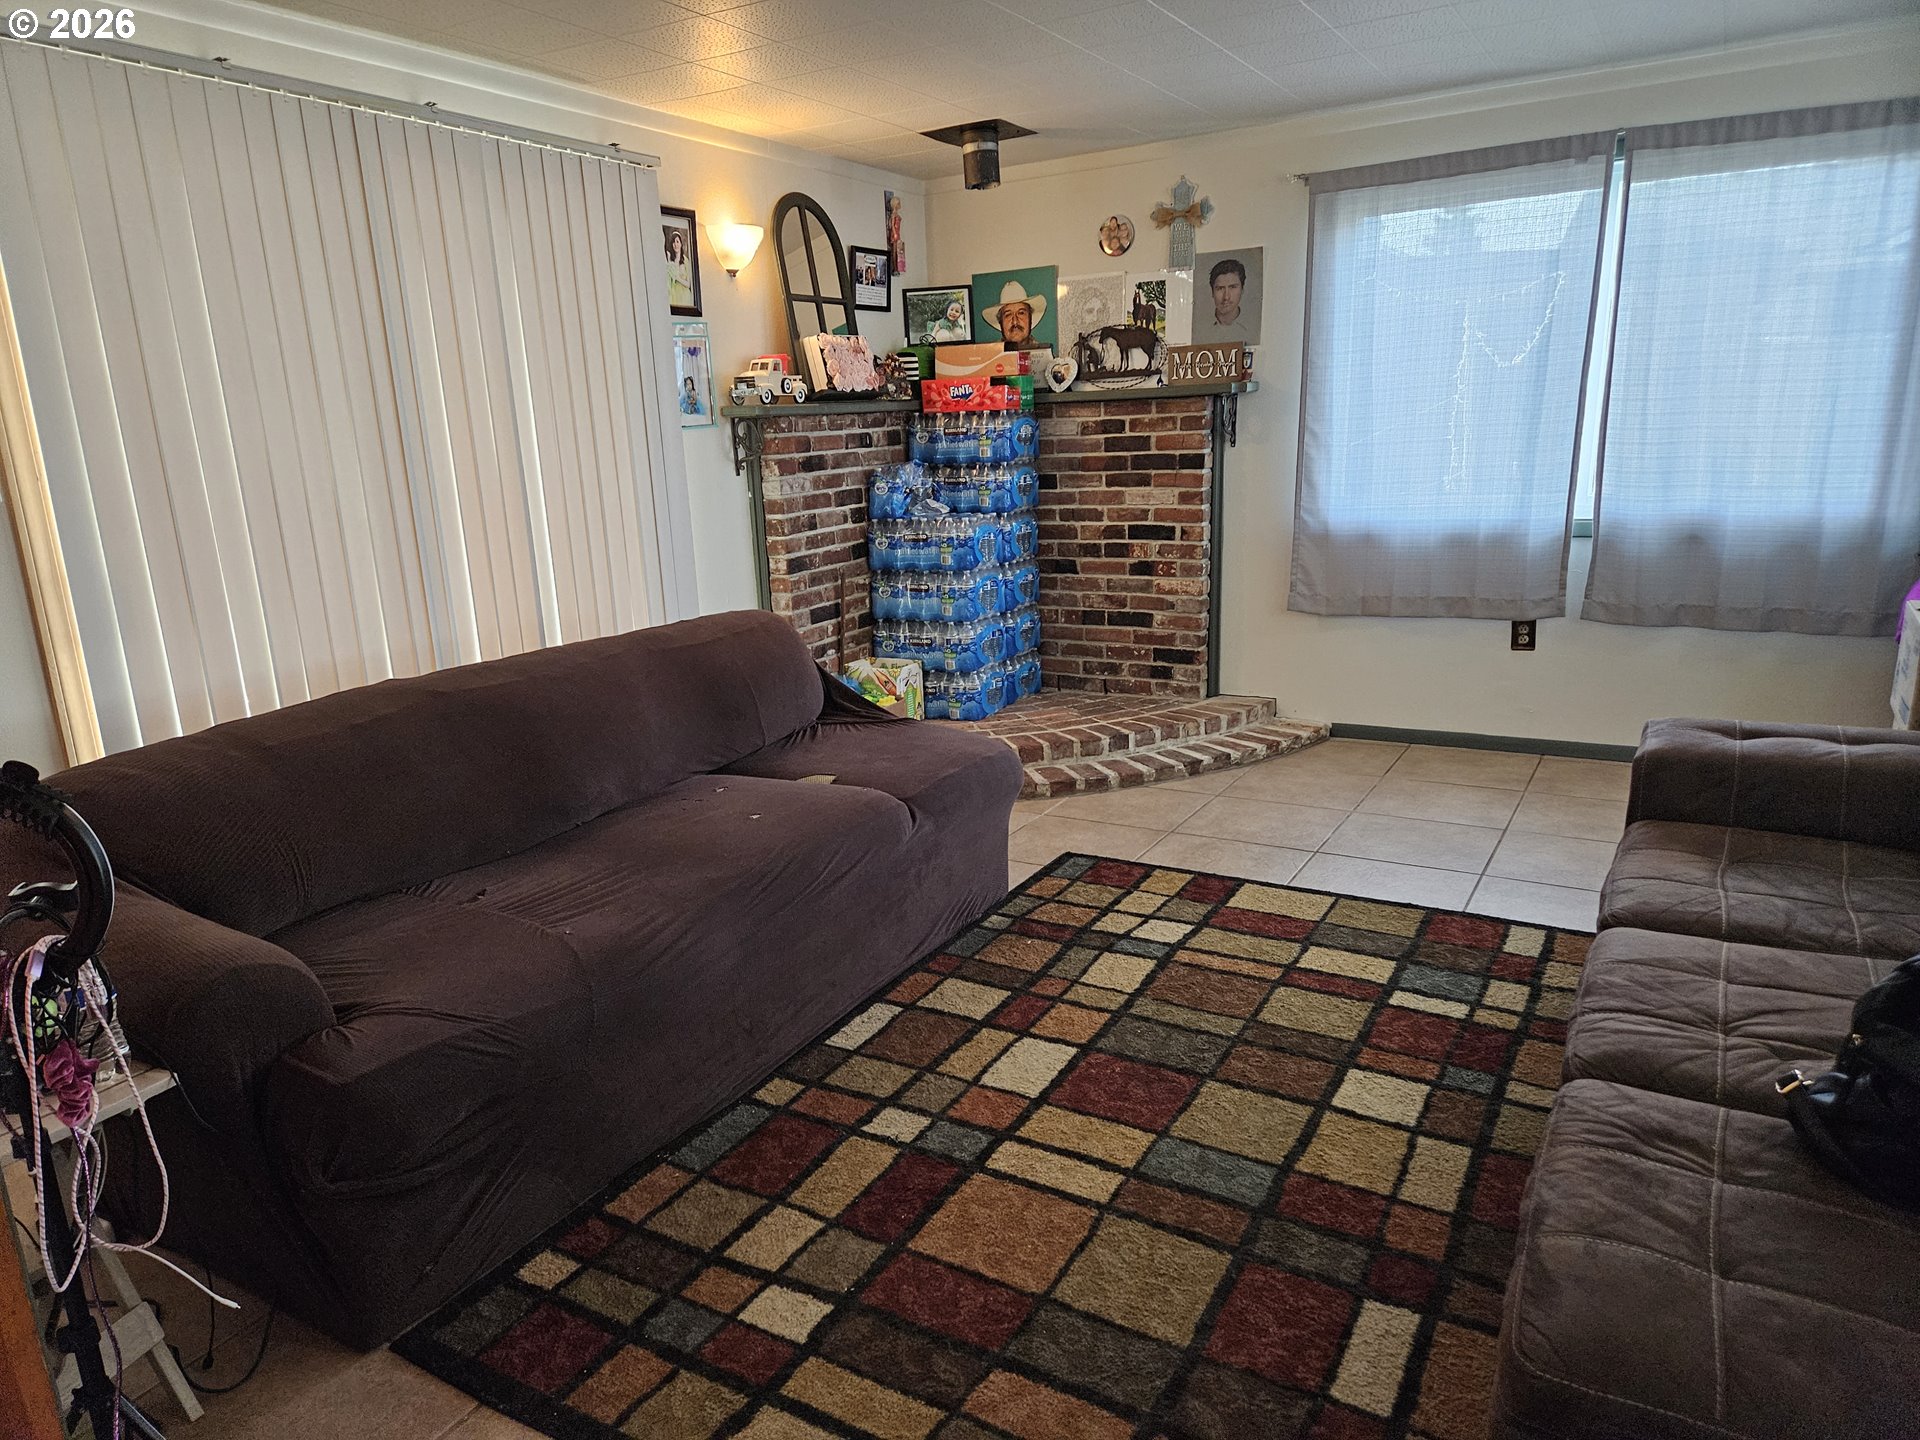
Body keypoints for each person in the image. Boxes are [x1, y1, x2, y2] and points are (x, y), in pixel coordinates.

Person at [981, 278, 1048, 348]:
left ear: (1030, 319)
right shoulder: (990, 357)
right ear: (1000, 322)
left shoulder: (1046, 357)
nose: (1015, 321)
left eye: (1021, 313)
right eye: (1008, 315)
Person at [1206, 257, 1252, 338]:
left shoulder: (1251, 329)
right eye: (1220, 288)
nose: (1226, 297)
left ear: (1242, 289)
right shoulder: (1201, 329)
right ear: (1212, 292)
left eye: (1233, 287)